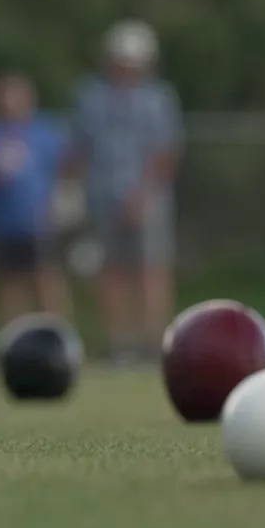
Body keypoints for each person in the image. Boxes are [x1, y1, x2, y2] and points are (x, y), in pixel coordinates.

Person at [71, 20, 183, 364]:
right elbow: (80, 148)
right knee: (111, 272)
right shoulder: (91, 97)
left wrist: (142, 196)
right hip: (103, 198)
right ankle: (120, 345)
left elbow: (165, 153)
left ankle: (154, 343)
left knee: (151, 270)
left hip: (148, 202)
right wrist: (70, 193)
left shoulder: (158, 99)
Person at [0, 72, 71, 324]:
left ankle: (57, 335)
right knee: (8, 283)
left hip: (39, 220)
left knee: (47, 279)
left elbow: (67, 170)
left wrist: (60, 205)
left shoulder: (46, 133)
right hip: (2, 222)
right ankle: (13, 338)